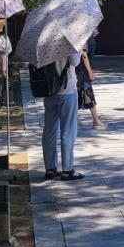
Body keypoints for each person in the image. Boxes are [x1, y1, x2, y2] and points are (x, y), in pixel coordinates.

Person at [42, 48, 84, 180]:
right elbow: (75, 62)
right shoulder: (67, 42)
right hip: (67, 90)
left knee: (49, 130)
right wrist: (79, 51)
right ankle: (67, 169)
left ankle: (50, 168)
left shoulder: (43, 42)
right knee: (68, 131)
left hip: (49, 90)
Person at [77, 45, 106, 129]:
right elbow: (84, 55)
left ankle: (74, 119)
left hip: (76, 71)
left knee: (76, 95)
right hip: (82, 71)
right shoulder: (81, 39)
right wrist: (90, 71)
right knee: (88, 94)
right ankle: (96, 120)